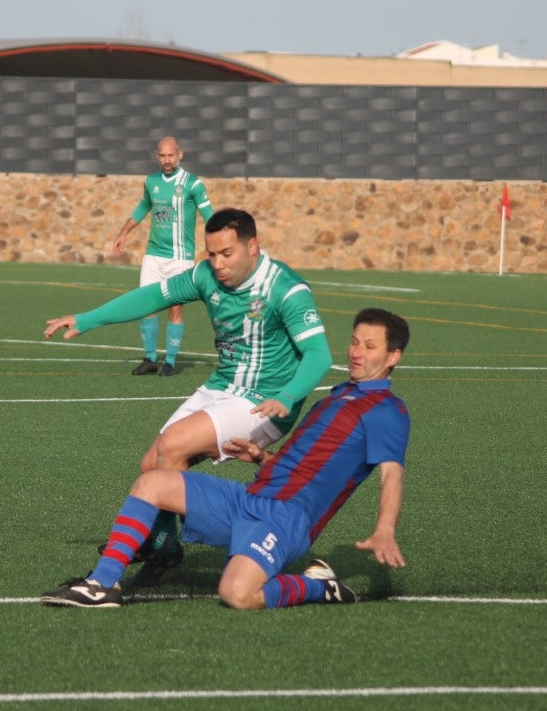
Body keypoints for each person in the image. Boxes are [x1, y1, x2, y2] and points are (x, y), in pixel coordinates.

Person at [41, 307, 410, 609]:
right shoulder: (338, 395)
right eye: (354, 342)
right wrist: (262, 457)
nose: (357, 353)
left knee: (236, 594)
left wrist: (384, 530)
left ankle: (319, 587)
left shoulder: (387, 410)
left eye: (370, 347)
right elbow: (309, 465)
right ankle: (101, 584)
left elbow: (392, 473)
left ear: (393, 356)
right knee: (151, 481)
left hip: (284, 521)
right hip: (249, 499)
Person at [46, 208, 333, 583]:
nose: (217, 264)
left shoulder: (286, 289)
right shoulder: (204, 275)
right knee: (152, 463)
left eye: (226, 254)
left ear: (253, 246)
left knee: (175, 444)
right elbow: (152, 297)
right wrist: (87, 319)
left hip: (264, 402)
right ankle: (165, 545)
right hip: (221, 387)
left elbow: (319, 355)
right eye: (211, 254)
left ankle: (244, 539)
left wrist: (289, 394)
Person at [113, 136, 213, 377]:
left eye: (171, 155)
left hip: (180, 258)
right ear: (156, 156)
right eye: (162, 156)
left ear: (180, 153)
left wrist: (217, 245)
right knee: (146, 305)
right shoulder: (151, 182)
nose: (167, 161)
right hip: (153, 255)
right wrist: (123, 233)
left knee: (175, 309)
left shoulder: (193, 184)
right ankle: (149, 359)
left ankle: (169, 361)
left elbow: (210, 216)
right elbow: (142, 208)